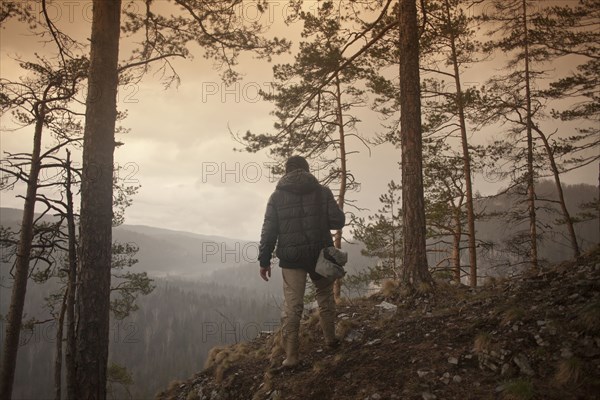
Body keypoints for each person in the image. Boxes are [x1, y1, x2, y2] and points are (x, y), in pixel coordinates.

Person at [258, 155, 345, 368]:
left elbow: (269, 231)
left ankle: (291, 357)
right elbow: (338, 221)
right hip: (319, 254)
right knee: (325, 296)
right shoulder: (322, 192)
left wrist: (264, 260)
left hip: (291, 258)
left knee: (292, 306)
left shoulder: (276, 196)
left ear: (287, 172)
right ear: (306, 171)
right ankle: (331, 340)